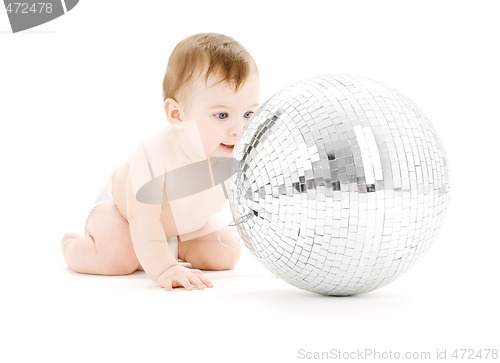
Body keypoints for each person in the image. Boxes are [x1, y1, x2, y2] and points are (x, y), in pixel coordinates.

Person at [61, 33, 260, 291]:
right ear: (177, 114)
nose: (238, 128)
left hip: (183, 225)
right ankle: (74, 246)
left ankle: (171, 247)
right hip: (123, 214)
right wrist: (165, 268)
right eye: (221, 115)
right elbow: (142, 218)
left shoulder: (240, 149)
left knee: (225, 254)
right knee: (117, 259)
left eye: (248, 114)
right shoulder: (155, 155)